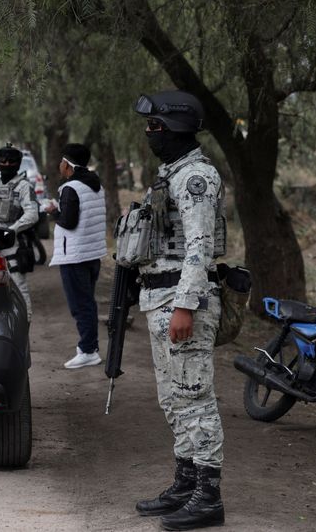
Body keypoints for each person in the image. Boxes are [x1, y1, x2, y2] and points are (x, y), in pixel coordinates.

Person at [132, 91, 226, 530]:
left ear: (177, 128)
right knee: (173, 400)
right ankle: (186, 483)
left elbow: (199, 248)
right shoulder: (169, 174)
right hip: (160, 298)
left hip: (182, 301)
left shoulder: (196, 178)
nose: (150, 133)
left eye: (156, 126)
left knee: (194, 398)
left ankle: (208, 495)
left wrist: (186, 306)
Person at [46, 143, 107, 369]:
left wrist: (53, 212)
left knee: (81, 305)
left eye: (62, 161)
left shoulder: (71, 188)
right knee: (87, 302)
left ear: (68, 165)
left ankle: (89, 350)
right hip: (92, 254)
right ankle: (88, 347)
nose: (59, 165)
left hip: (75, 256)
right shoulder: (96, 185)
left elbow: (68, 222)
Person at [0, 143, 38, 320]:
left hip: (13, 243)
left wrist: (12, 231)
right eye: (3, 161)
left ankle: (26, 323)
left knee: (19, 286)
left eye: (11, 161)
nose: (6, 164)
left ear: (18, 163)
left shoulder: (23, 186)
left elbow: (32, 214)